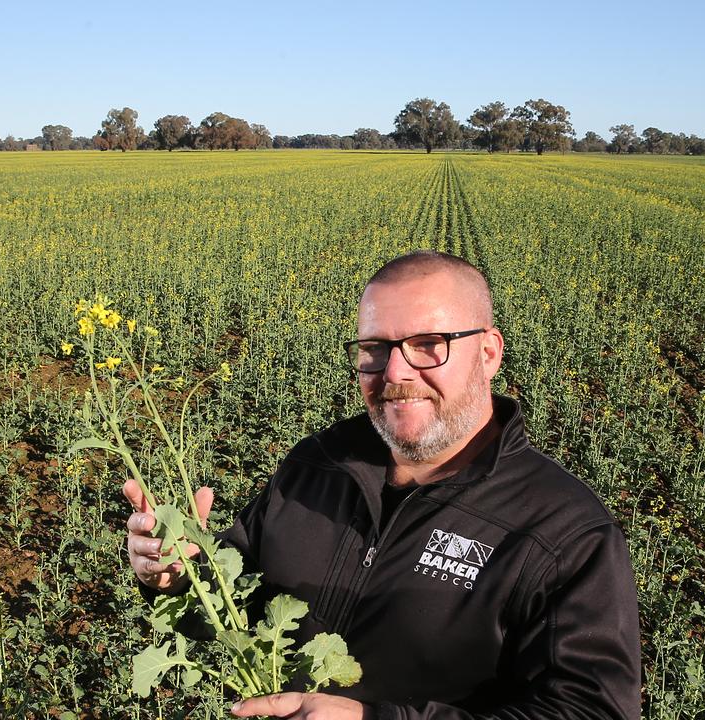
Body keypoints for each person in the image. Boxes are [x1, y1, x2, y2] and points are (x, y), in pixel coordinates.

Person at [125, 251, 642, 719]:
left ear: (488, 352)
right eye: (375, 347)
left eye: (427, 345)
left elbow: (592, 710)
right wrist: (177, 579)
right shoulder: (318, 464)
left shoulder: (562, 533)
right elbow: (238, 596)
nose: (395, 371)